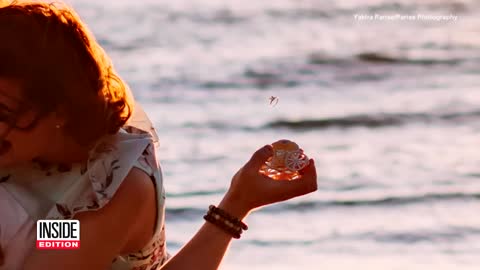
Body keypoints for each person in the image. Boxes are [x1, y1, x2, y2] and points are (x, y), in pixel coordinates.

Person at [0, 1, 318, 270]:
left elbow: (40, 239)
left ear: (59, 110)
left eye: (3, 111)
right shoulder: (22, 149)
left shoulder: (114, 188)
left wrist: (235, 206)